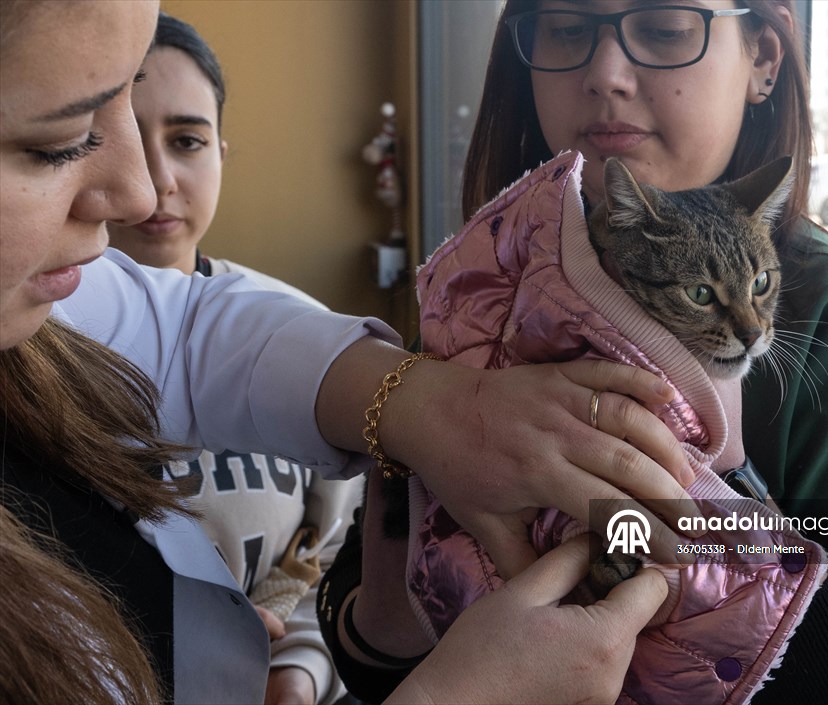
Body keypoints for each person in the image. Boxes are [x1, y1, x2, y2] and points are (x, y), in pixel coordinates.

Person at [0, 1, 693, 703]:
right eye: (60, 138)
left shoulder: (48, 315)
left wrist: (427, 403)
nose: (140, 191)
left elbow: (182, 332)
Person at [330, 1, 828, 704]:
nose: (606, 74)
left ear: (764, 59)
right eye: (567, 27)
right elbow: (363, 637)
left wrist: (730, 505)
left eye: (664, 28)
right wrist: (394, 613)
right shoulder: (479, 292)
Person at [105, 13, 357, 705]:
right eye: (118, 134)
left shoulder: (303, 338)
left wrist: (298, 669)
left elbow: (334, 551)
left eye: (186, 140)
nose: (156, 179)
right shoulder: (29, 353)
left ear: (223, 151)